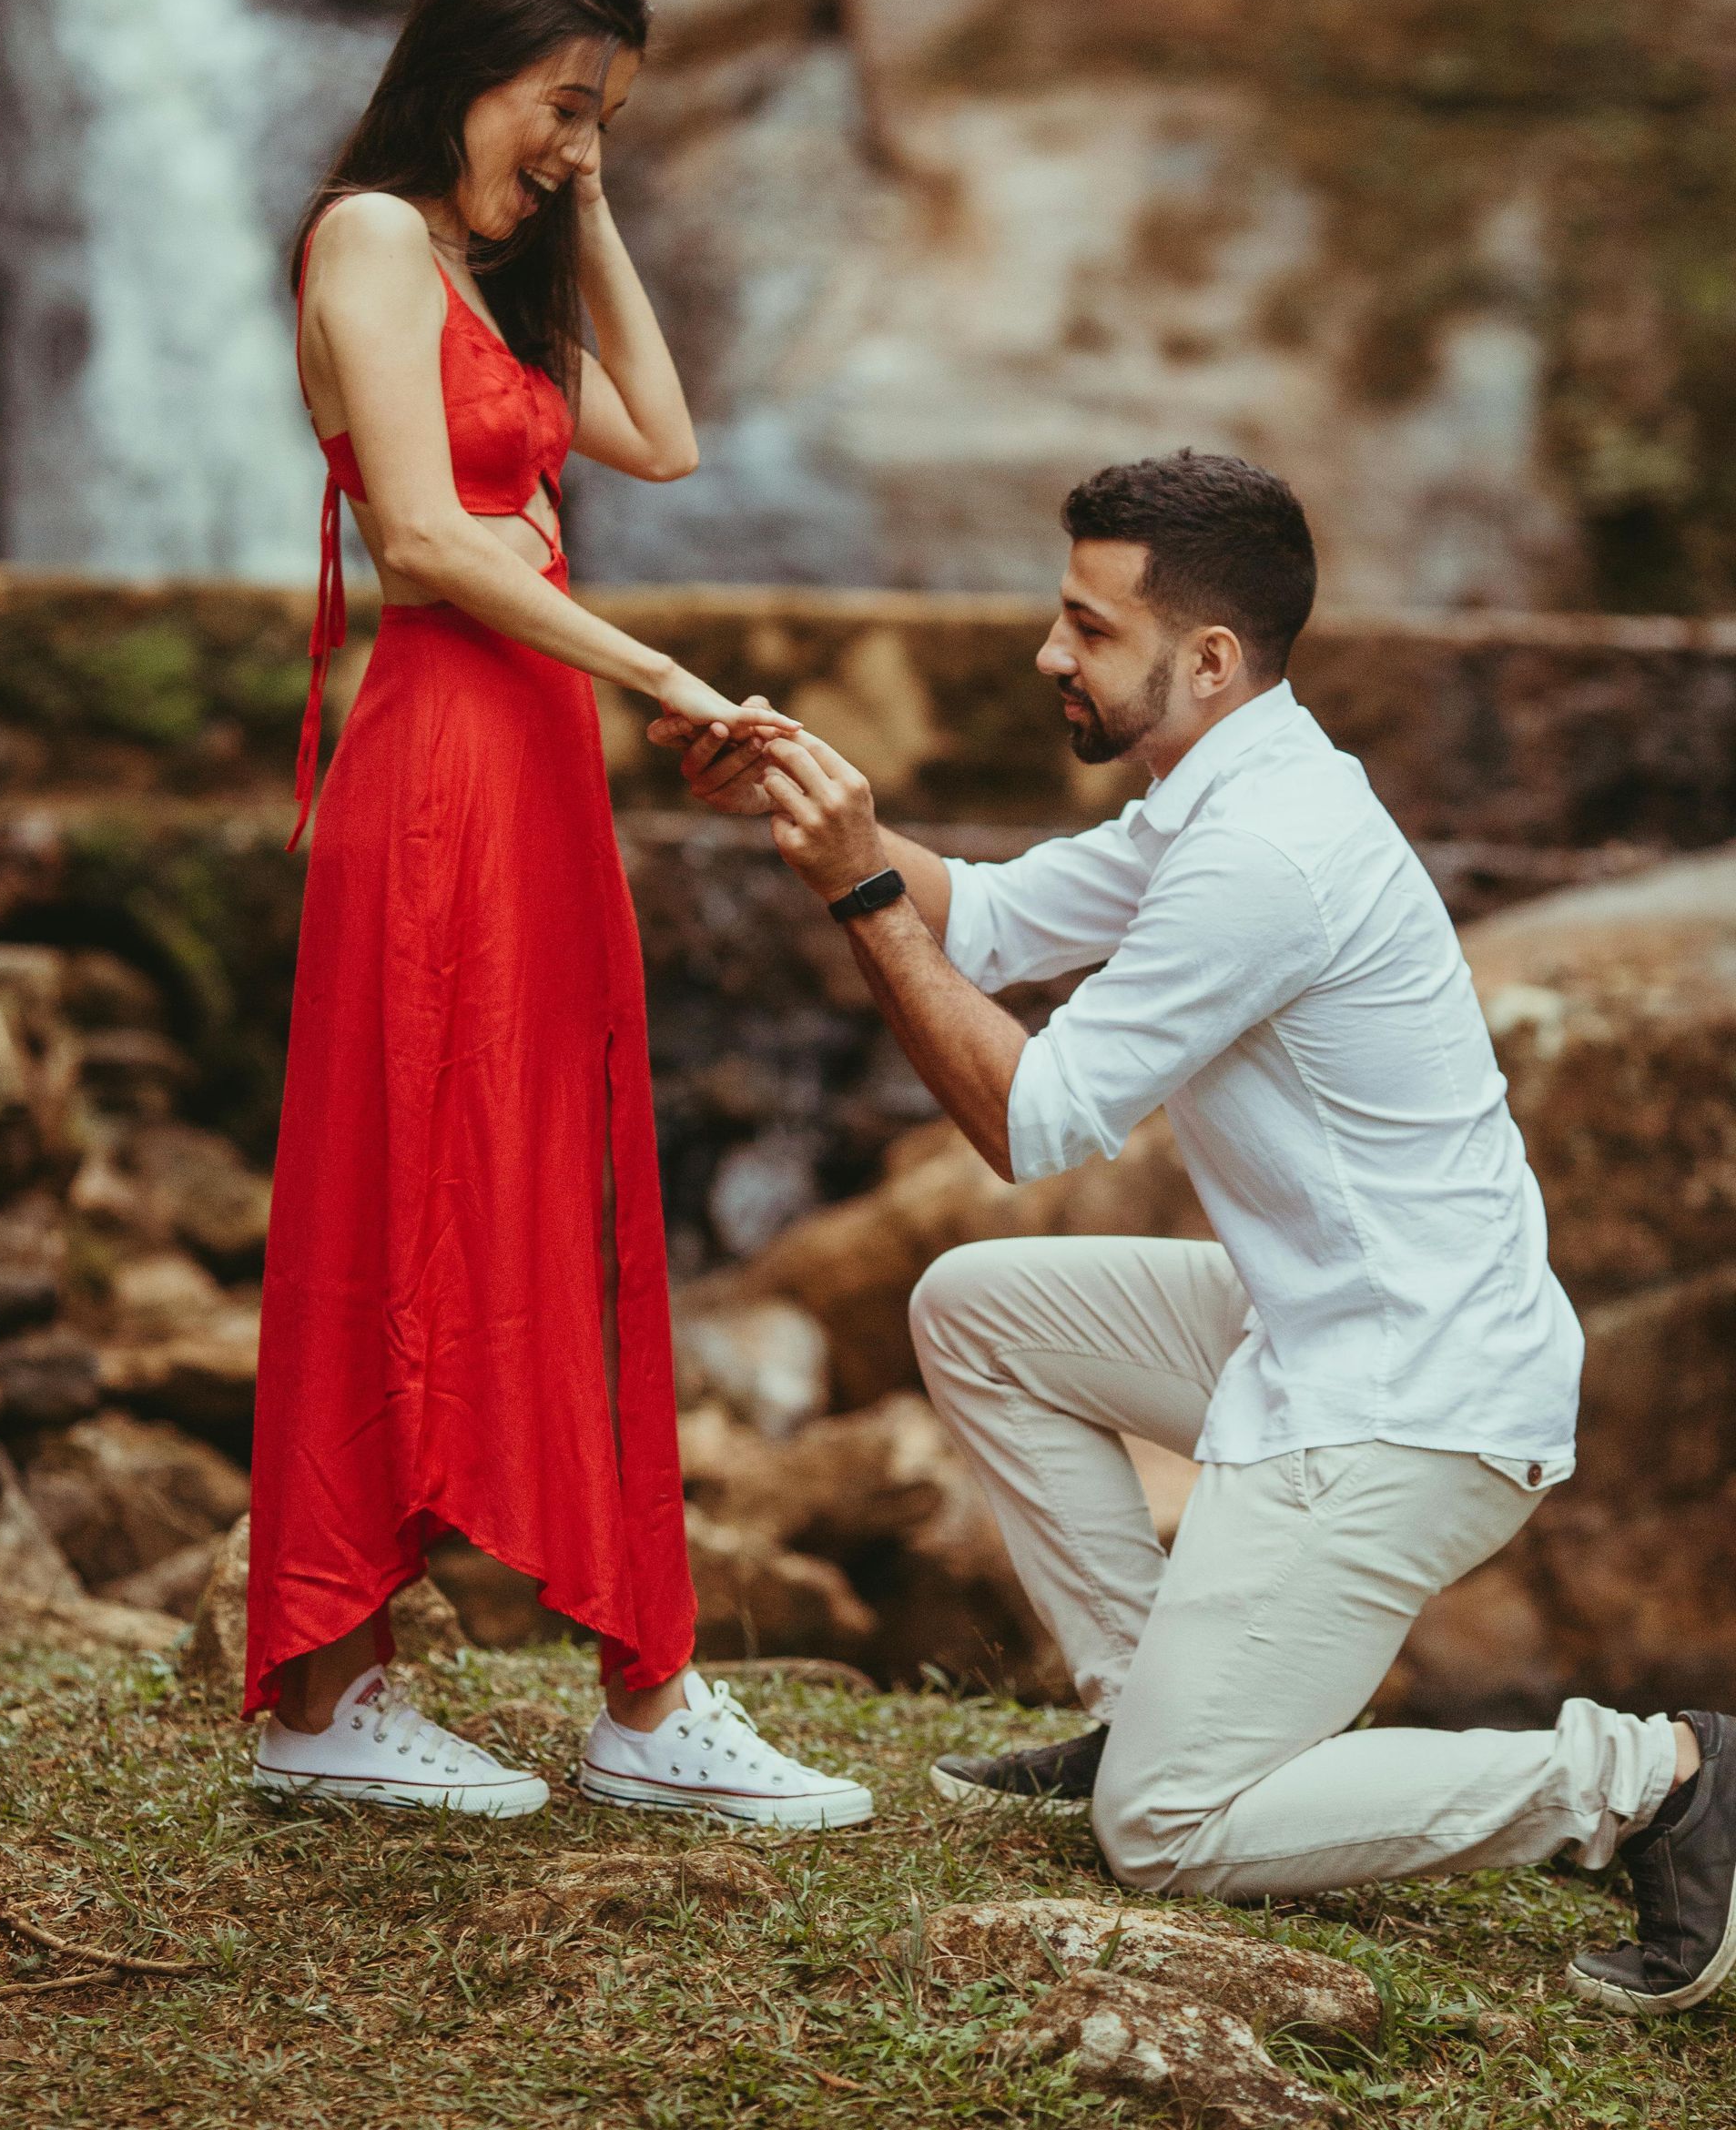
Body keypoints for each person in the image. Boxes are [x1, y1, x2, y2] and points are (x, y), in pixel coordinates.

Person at [655, 449, 1736, 2014]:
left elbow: (1029, 1125)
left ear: (1208, 658)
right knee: (976, 1308)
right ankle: (1141, 1693)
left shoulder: (1260, 855)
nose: (1048, 654)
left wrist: (859, 899)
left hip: (1408, 1406)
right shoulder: (1232, 782)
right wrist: (818, 804)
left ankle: (1659, 1776)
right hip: (1324, 1329)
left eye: (1087, 629)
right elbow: (1000, 918)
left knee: (1162, 1833)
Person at [246, 0, 871, 1834]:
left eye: (603, 117)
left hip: (534, 772)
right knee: (407, 1174)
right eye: (560, 105)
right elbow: (430, 542)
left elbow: (664, 445)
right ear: (468, 66)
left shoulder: (491, 275)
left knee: (549, 1179)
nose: (575, 141)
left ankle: (633, 1688)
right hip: (439, 756)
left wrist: (587, 209)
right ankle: (337, 1690)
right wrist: (675, 677)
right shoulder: (365, 234)